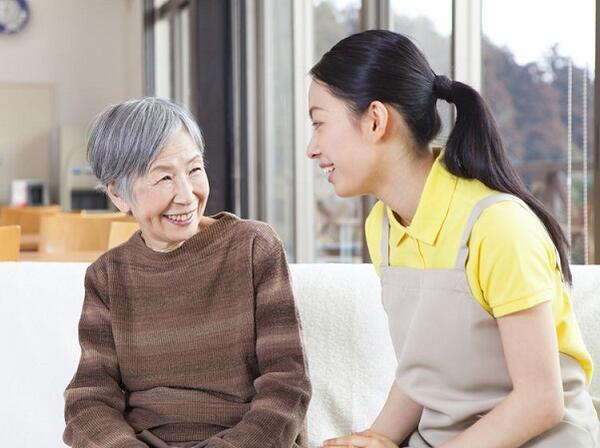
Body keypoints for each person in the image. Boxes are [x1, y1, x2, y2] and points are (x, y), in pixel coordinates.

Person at [307, 30, 599, 448]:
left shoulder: (499, 227)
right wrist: (375, 437)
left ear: (375, 119)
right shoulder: (383, 227)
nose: (311, 148)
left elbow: (541, 402)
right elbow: (423, 369)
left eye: (319, 123)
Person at [63, 97, 311, 448]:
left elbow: (288, 384)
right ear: (117, 193)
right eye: (163, 178)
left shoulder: (253, 247)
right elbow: (89, 399)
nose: (187, 195)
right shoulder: (108, 276)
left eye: (194, 170)